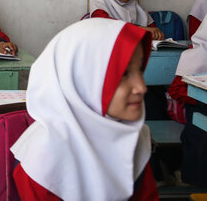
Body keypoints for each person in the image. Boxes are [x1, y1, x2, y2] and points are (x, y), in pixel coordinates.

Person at [11, 18, 158, 200]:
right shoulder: (43, 162)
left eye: (140, 69)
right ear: (83, 80)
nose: (141, 87)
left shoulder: (135, 136)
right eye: (124, 74)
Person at [167, 13, 207, 186]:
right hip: (200, 108)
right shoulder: (198, 55)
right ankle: (194, 182)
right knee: (199, 131)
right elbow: (176, 89)